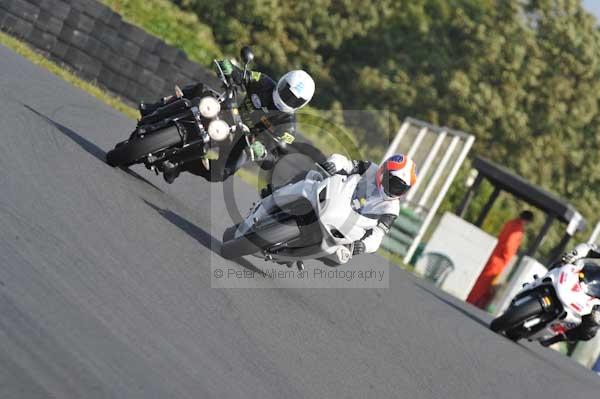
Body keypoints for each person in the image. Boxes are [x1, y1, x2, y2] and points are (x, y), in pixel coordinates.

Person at [138, 59, 315, 183]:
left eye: (293, 99)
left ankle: (178, 165)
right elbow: (241, 75)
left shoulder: (288, 127)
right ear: (283, 81)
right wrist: (230, 69)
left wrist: (263, 152)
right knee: (200, 91)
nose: (286, 97)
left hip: (241, 139)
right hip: (229, 111)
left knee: (222, 173)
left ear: (301, 104)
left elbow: (274, 156)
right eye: (285, 90)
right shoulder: (264, 82)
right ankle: (155, 108)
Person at [318, 153, 417, 256]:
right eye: (392, 183)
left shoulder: (392, 209)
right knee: (315, 176)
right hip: (338, 200)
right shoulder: (370, 168)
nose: (393, 190)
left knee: (341, 257)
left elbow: (378, 235)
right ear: (384, 171)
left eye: (400, 188)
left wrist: (364, 246)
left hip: (353, 225)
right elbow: (346, 164)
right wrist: (334, 164)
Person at [467, 210, 534, 309]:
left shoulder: (511, 222)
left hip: (494, 254)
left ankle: (470, 300)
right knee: (484, 284)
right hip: (500, 260)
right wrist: (506, 258)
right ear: (527, 220)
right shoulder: (518, 230)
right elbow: (509, 245)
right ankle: (471, 302)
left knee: (481, 281)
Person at [544, 243, 600, 344]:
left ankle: (557, 338)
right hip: (581, 276)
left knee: (590, 329)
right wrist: (573, 255)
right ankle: (540, 280)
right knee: (562, 263)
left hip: (592, 298)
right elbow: (589, 248)